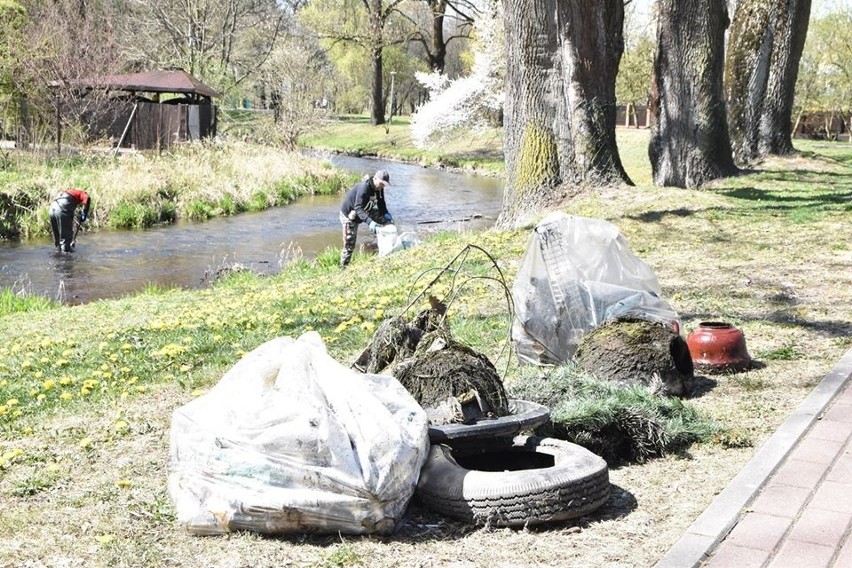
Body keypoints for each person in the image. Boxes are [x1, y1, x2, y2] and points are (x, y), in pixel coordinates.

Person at [339, 169, 394, 267]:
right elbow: (358, 208)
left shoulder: (379, 189)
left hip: (365, 209)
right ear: (375, 179)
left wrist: (386, 214)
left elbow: (381, 203)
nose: (382, 186)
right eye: (381, 183)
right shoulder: (364, 187)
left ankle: (387, 248)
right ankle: (343, 267)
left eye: (384, 184)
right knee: (349, 244)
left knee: (386, 221)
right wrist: (370, 222)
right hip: (350, 215)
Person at [49, 188, 91, 253]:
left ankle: (58, 255)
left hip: (52, 208)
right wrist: (85, 213)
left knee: (57, 237)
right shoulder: (82, 193)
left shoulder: (69, 192)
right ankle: (66, 258)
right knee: (65, 238)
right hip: (62, 208)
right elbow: (87, 198)